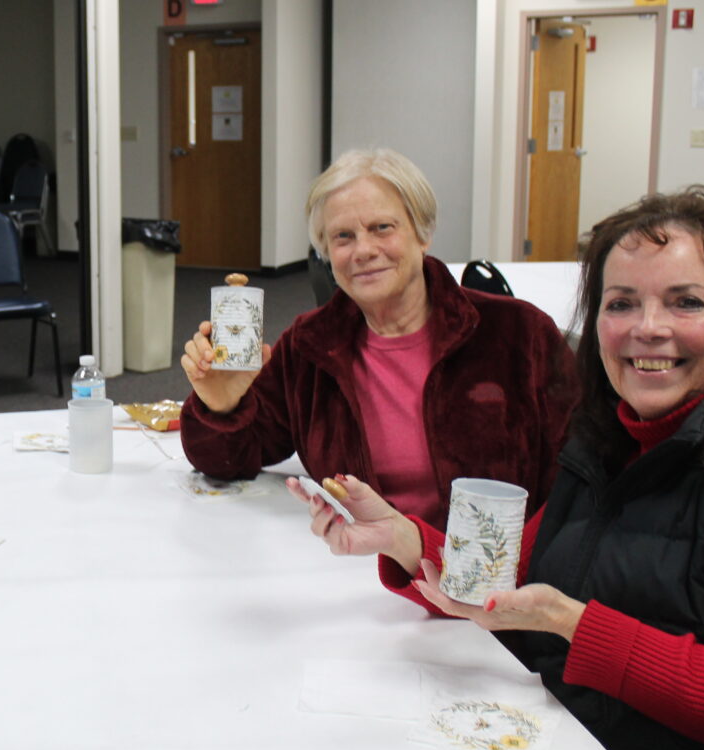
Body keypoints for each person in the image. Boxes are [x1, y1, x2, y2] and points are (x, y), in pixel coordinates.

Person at [304, 186, 704, 750]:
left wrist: (574, 627)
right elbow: (522, 577)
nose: (647, 327)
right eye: (621, 303)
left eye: (685, 301)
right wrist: (406, 539)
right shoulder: (607, 436)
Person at [180, 148, 577, 529]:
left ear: (422, 235)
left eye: (381, 228)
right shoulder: (310, 346)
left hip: (491, 583)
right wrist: (221, 406)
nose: (363, 250)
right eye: (342, 236)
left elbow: (582, 470)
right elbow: (231, 463)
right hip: (360, 572)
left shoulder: (519, 335)